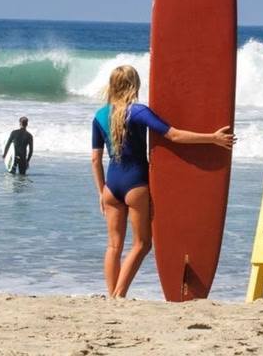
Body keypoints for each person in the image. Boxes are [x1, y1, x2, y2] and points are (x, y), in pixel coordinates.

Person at [91, 65, 235, 298]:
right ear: (134, 85)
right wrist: (212, 138)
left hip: (111, 187)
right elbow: (174, 135)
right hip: (135, 185)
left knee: (114, 246)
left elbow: (95, 159)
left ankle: (112, 296)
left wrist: (101, 192)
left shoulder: (99, 116)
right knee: (142, 244)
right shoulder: (138, 112)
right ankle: (119, 294)